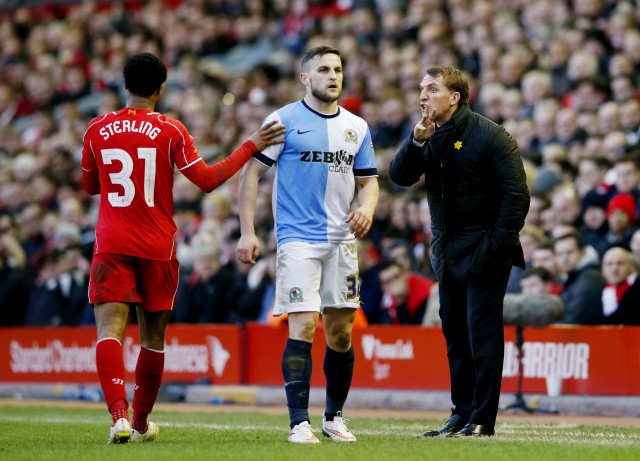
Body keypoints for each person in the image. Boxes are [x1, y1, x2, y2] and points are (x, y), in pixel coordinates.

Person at [81, 52, 285, 444]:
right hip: (157, 245)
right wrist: (250, 145)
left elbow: (90, 187)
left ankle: (119, 417)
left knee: (109, 331)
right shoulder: (170, 130)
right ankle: (140, 423)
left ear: (125, 86)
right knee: (152, 338)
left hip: (112, 244)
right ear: (161, 89)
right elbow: (207, 180)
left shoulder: (97, 127)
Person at [236, 46, 379, 444]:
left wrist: (366, 207)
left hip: (342, 242)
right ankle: (299, 422)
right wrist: (247, 230)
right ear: (305, 78)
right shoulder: (282, 120)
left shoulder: (357, 127)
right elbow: (251, 175)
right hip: (298, 240)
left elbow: (369, 182)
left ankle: (334, 417)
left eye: (337, 69)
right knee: (303, 325)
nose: (333, 76)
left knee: (340, 334)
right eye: (323, 69)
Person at [389, 65, 530, 437]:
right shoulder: (428, 133)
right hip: (447, 253)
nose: (423, 96)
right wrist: (416, 141)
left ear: (455, 97)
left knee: (481, 334)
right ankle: (461, 412)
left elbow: (516, 197)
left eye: (432, 89)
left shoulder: (491, 135)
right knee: (454, 334)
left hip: (485, 251)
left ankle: (482, 419)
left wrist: (495, 246)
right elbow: (399, 176)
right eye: (421, 89)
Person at [600, 246, 640, 325]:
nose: (614, 269)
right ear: (602, 270)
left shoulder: (637, 290)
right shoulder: (598, 291)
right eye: (609, 264)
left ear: (631, 267)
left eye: (620, 263)